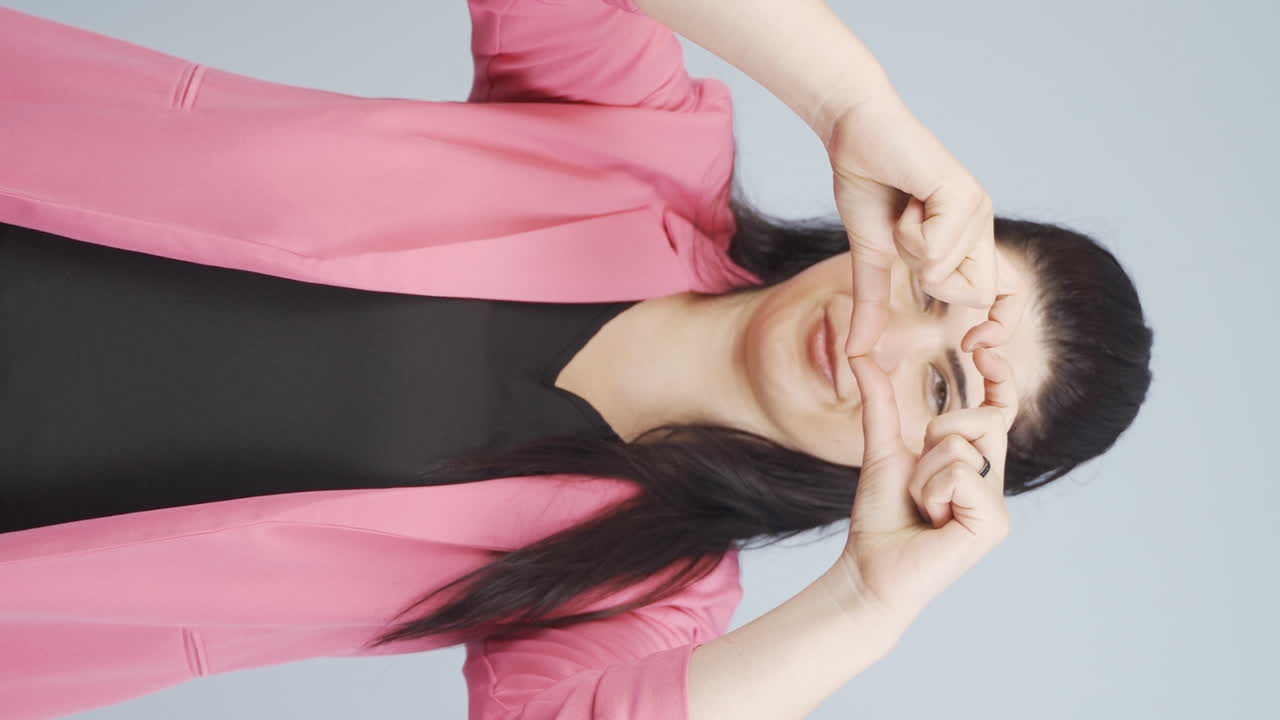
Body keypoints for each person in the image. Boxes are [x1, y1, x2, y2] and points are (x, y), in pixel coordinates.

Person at [0, 2, 1153, 719]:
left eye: (939, 386)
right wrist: (852, 105)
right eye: (932, 292)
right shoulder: (640, 139)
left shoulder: (642, 600)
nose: (878, 338)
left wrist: (867, 600)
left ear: (942, 476)